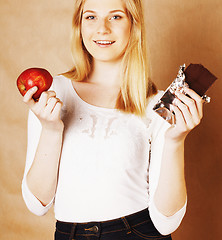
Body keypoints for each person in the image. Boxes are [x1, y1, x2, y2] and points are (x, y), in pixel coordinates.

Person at [21, 0, 204, 239]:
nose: (102, 28)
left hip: (138, 232)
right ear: (79, 25)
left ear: (133, 25)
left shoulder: (158, 104)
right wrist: (51, 129)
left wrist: (175, 140)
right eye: (91, 17)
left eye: (116, 17)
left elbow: (166, 223)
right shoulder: (52, 94)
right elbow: (38, 204)